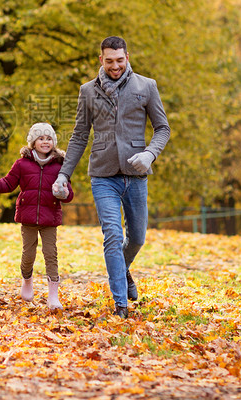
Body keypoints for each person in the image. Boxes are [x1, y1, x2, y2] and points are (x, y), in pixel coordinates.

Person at [52, 36, 170, 318]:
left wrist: (150, 154)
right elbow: (80, 136)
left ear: (127, 57)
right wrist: (63, 175)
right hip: (103, 174)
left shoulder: (146, 86)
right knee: (112, 236)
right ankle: (121, 305)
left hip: (136, 173)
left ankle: (122, 269)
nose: (115, 66)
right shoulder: (88, 91)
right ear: (101, 60)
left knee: (137, 238)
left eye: (119, 60)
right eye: (109, 61)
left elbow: (162, 128)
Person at [0, 122, 74, 311]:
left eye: (49, 138)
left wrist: (63, 193)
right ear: (33, 142)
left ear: (54, 142)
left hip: (50, 218)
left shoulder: (60, 165)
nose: (45, 142)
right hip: (28, 218)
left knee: (51, 254)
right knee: (28, 255)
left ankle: (53, 296)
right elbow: (8, 183)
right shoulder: (22, 164)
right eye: (41, 138)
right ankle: (27, 281)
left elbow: (69, 194)